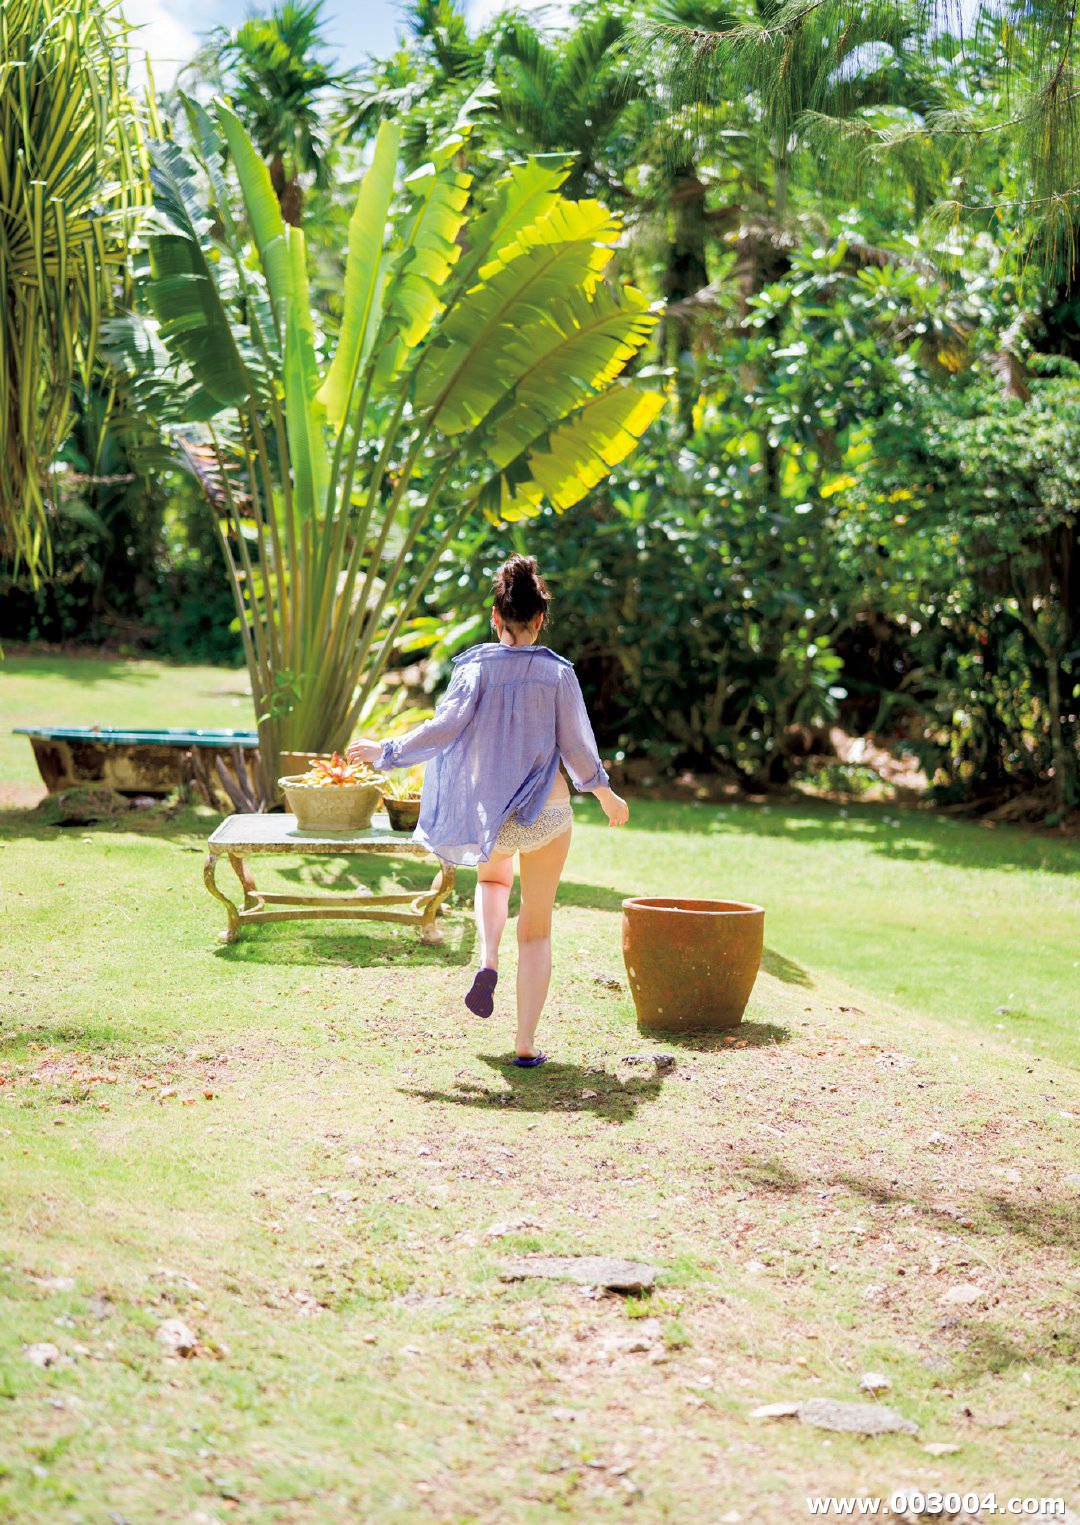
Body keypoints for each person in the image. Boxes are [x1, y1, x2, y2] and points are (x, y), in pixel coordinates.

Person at [346, 554, 629, 1066]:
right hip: (549, 816)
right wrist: (605, 794)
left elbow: (442, 730)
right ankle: (525, 1045)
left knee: (493, 885)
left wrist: (385, 751)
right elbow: (578, 748)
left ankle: (489, 959)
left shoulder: (472, 669)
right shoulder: (558, 674)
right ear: (540, 620)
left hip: (491, 819)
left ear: (495, 619)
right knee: (538, 928)